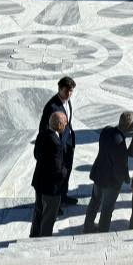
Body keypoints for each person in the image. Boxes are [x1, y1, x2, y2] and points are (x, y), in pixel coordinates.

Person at [83, 112, 133, 233]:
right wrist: (125, 179)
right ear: (129, 127)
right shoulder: (120, 142)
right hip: (111, 180)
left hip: (98, 173)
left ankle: (87, 226)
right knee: (107, 207)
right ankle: (103, 230)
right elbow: (121, 165)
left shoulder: (106, 130)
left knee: (94, 201)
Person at [38, 76, 76, 206]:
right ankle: (56, 203)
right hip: (58, 146)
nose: (69, 94)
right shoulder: (51, 107)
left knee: (66, 171)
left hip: (68, 143)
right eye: (66, 91)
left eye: (71, 91)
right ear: (59, 89)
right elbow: (43, 130)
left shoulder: (67, 101)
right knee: (57, 175)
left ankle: (63, 196)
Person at [30, 111, 69, 237]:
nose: (66, 124)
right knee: (48, 216)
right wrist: (65, 171)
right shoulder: (56, 143)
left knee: (38, 211)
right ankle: (43, 240)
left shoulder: (42, 134)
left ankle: (34, 235)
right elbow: (57, 170)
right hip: (51, 188)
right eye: (65, 123)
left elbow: (36, 155)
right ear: (60, 125)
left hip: (39, 182)